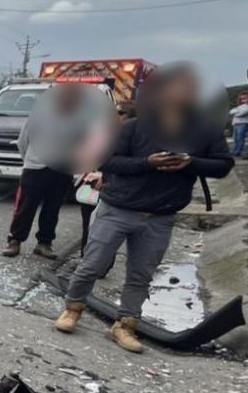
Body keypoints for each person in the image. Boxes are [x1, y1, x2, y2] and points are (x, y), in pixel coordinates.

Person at [54, 62, 233, 353]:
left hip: (160, 215)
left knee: (140, 275)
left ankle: (125, 325)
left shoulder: (205, 131)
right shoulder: (135, 128)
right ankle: (73, 309)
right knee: (92, 265)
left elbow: (223, 165)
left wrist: (191, 162)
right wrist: (147, 163)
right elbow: (107, 161)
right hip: (119, 208)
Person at [2, 82, 114, 259]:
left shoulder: (81, 120)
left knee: (52, 208)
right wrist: (30, 160)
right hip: (36, 167)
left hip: (62, 168)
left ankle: (44, 243)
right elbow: (23, 140)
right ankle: (15, 240)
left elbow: (83, 144)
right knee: (26, 206)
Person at [228, 93, 248, 158]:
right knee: (236, 138)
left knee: (240, 138)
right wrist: (236, 112)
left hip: (244, 123)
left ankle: (238, 151)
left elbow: (242, 113)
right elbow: (231, 111)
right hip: (236, 123)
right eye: (247, 98)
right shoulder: (242, 105)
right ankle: (235, 151)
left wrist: (236, 113)